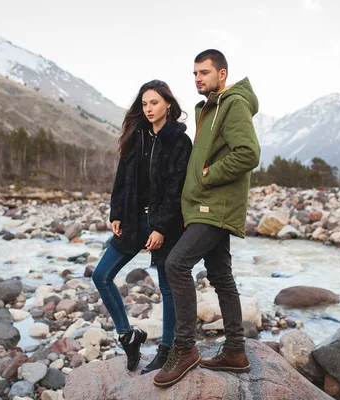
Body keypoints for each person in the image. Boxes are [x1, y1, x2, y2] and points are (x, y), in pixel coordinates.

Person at [153, 49, 261, 387]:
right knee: (220, 276)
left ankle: (185, 349)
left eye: (204, 72)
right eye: (195, 73)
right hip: (204, 206)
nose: (198, 78)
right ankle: (235, 352)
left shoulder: (233, 104)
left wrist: (207, 174)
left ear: (222, 74)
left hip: (215, 207)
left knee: (176, 264)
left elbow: (248, 153)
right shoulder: (206, 109)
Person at [92, 79, 192, 373]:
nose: (148, 109)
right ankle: (128, 336)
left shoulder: (179, 141)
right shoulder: (136, 136)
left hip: (164, 224)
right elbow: (121, 179)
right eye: (145, 104)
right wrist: (116, 214)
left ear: (168, 105)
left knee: (167, 287)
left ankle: (167, 349)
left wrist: (161, 227)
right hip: (134, 219)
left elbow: (177, 189)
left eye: (155, 103)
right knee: (101, 275)